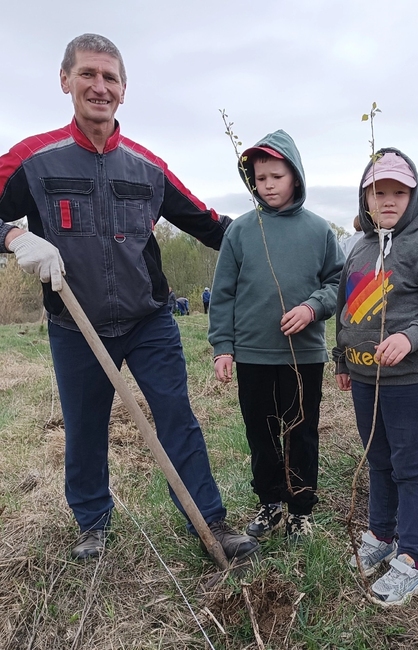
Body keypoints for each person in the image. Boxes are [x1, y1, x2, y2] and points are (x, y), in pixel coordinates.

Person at [0, 33, 259, 564]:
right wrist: (13, 235)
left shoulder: (148, 166)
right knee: (85, 428)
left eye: (110, 78)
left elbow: (210, 224)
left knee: (177, 419)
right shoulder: (33, 159)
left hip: (149, 322)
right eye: (88, 74)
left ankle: (209, 522)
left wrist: (273, 236)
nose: (99, 87)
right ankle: (92, 526)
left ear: (124, 90)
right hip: (76, 326)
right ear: (65, 81)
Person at [333, 150, 418, 605]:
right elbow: (347, 309)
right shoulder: (358, 250)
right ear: (364, 198)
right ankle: (381, 535)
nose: (388, 201)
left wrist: (410, 337)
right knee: (378, 458)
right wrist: (342, 360)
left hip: (410, 381)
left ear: (414, 195)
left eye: (398, 192)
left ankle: (413, 558)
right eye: (378, 192)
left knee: (410, 464)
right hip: (364, 379)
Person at [208, 130, 344, 540]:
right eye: (260, 177)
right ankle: (269, 503)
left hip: (304, 356)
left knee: (301, 433)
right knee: (261, 433)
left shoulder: (318, 230)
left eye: (276, 176)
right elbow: (224, 294)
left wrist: (312, 308)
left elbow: (338, 283)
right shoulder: (240, 231)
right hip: (253, 355)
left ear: (295, 177)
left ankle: (300, 508)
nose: (267, 185)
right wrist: (223, 347)